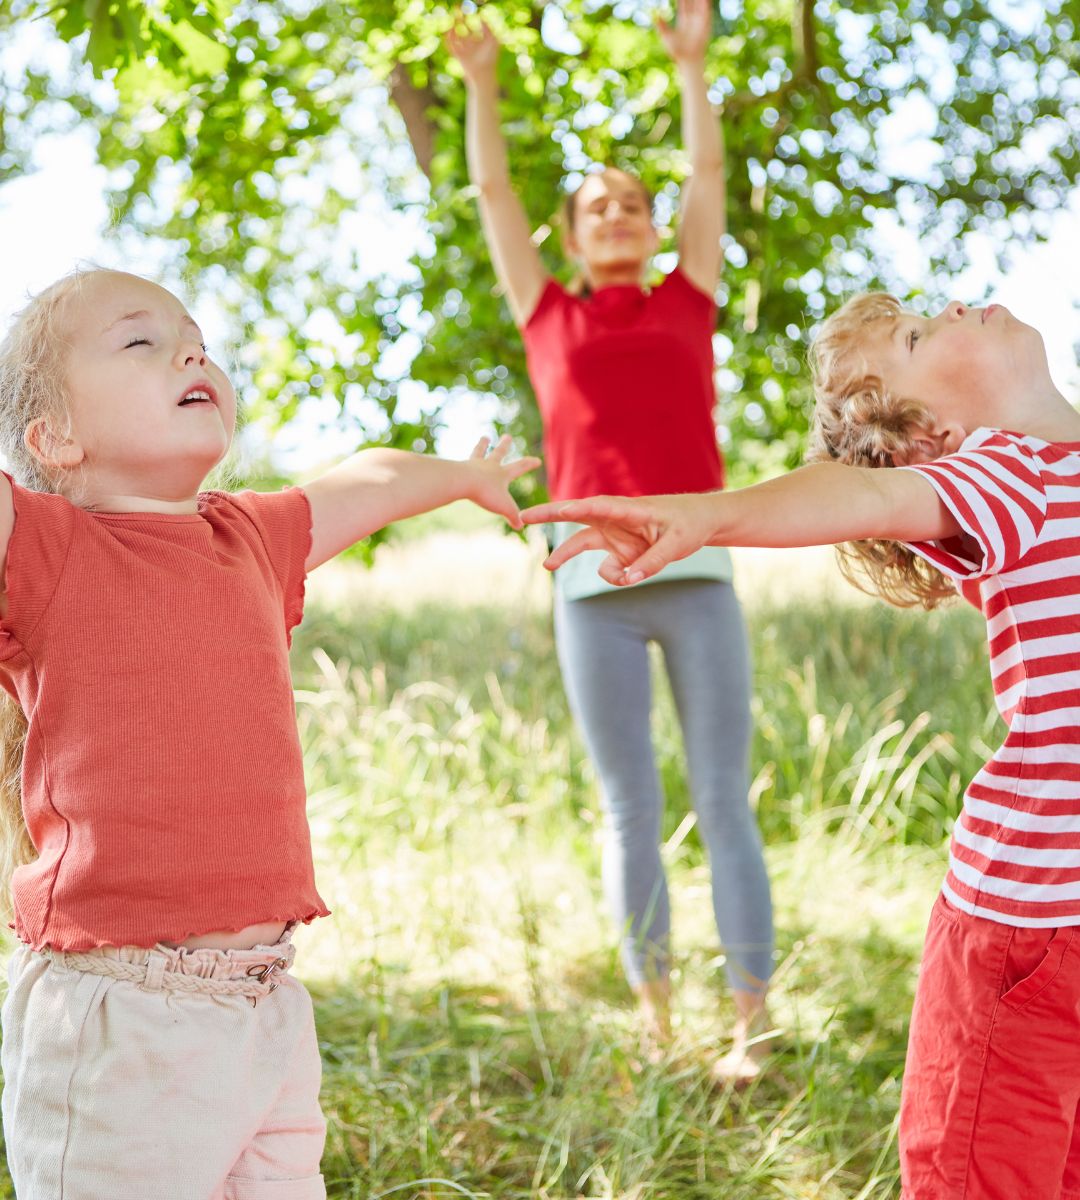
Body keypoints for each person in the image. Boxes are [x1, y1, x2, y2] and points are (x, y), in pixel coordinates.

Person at [523, 291, 1080, 1199]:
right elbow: (862, 493)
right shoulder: (1010, 477)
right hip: (1029, 933)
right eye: (913, 334)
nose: (950, 303)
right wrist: (709, 515)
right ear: (932, 432)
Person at [0, 266, 538, 1200]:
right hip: (122, 1013)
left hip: (268, 1002)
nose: (190, 349)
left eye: (194, 335)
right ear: (55, 438)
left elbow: (370, 477)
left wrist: (464, 477)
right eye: (141, 341)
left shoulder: (249, 536)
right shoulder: (46, 552)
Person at [445, 0, 776, 1075]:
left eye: (636, 203)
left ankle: (750, 1022)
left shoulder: (688, 301)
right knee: (629, 804)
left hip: (698, 572)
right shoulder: (548, 316)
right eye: (601, 207)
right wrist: (483, 83)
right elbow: (493, 191)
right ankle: (660, 1019)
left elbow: (709, 183)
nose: (623, 215)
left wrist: (692, 68)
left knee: (724, 798)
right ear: (575, 237)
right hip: (588, 582)